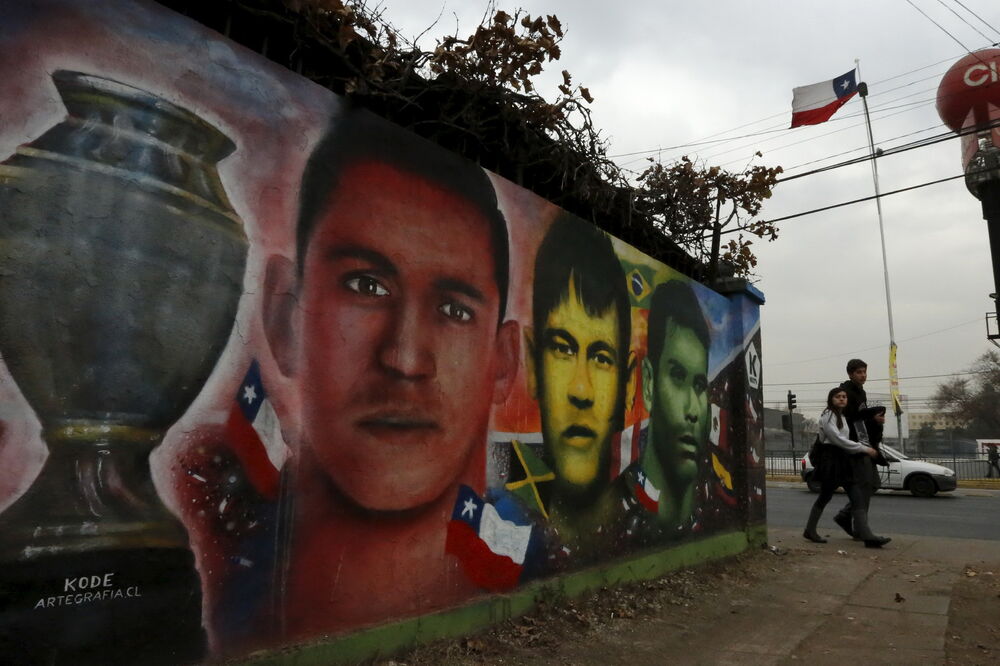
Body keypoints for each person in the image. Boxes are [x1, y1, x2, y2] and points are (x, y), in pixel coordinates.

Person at [261, 107, 519, 638]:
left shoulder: (536, 558)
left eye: (454, 310)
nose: (404, 359)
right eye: (366, 285)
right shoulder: (203, 583)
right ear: (284, 316)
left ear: (503, 364)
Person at [525, 213, 634, 557]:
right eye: (562, 349)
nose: (581, 391)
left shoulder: (646, 521)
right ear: (533, 367)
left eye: (602, 358)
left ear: (628, 385)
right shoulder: (496, 526)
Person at [637, 280, 711, 535]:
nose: (693, 410)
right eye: (677, 376)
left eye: (700, 385)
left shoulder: (715, 506)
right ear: (649, 383)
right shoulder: (613, 511)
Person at [803, 387, 891, 548]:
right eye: (838, 396)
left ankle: (866, 535)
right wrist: (864, 449)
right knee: (825, 496)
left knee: (856, 496)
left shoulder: (842, 416)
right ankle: (810, 530)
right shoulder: (828, 415)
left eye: (844, 396)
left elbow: (846, 439)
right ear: (831, 399)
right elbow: (838, 439)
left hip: (843, 459)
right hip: (831, 460)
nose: (842, 399)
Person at [831, 359, 888, 539]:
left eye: (864, 372)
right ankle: (860, 529)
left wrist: (874, 422)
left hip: (865, 444)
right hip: (854, 446)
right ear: (850, 374)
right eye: (859, 372)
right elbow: (849, 422)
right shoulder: (846, 393)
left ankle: (846, 516)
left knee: (873, 484)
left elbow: (861, 419)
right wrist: (872, 420)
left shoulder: (861, 393)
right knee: (865, 486)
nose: (863, 375)